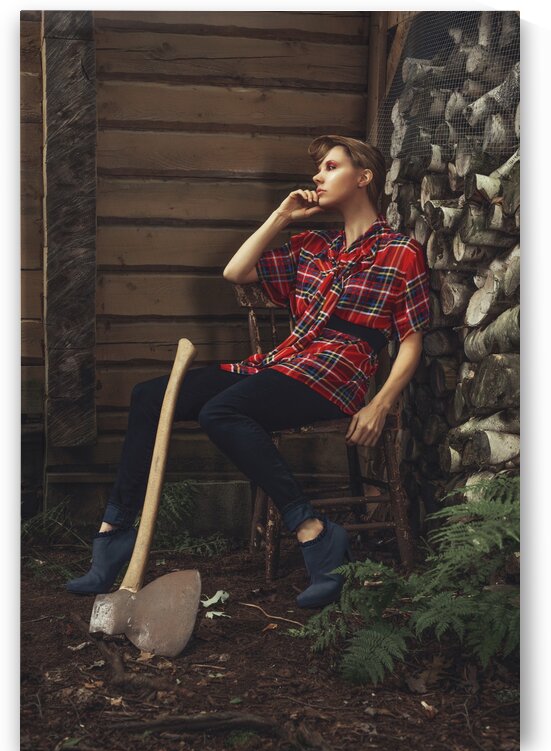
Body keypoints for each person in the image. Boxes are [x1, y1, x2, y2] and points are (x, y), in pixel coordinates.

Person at [65, 134, 430, 609]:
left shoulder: (402, 252)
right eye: (318, 168)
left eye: (331, 166)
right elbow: (236, 273)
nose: (318, 176)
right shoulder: (314, 246)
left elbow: (412, 339)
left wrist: (380, 402)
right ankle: (115, 534)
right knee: (149, 396)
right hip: (282, 364)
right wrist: (281, 216)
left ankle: (313, 532)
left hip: (337, 374)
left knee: (221, 412)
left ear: (364, 178)